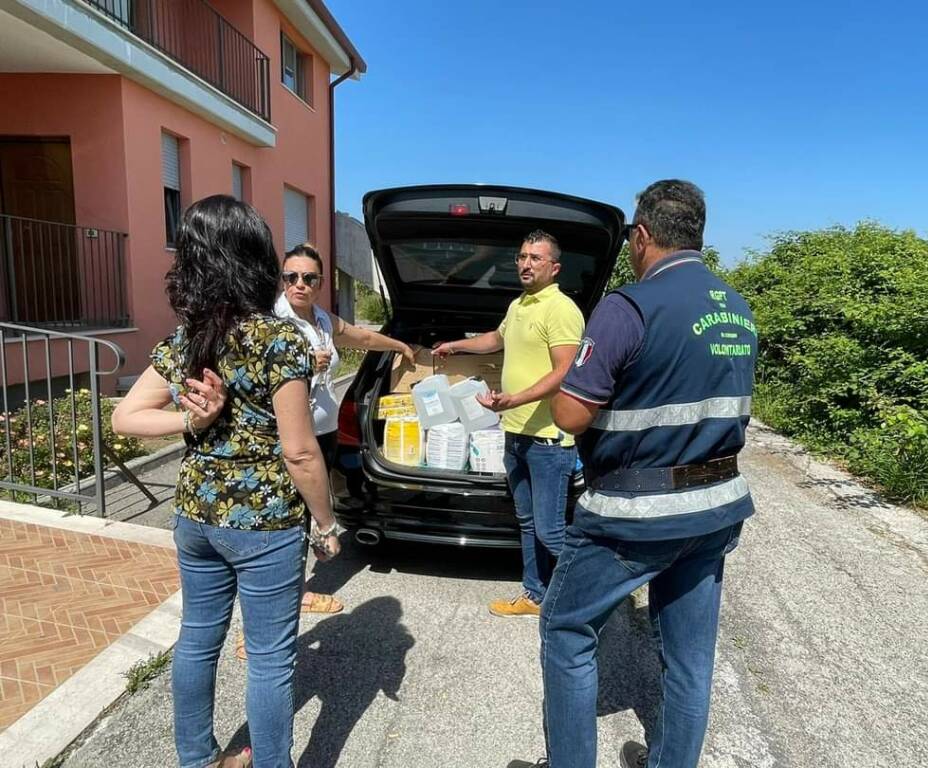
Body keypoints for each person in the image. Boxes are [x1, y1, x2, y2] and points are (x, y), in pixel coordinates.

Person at [511, 180, 758, 768]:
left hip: (632, 514)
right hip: (715, 508)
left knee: (568, 632)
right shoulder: (737, 308)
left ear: (642, 236)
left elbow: (571, 414)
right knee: (690, 659)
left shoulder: (628, 307)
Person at [112, 195, 341, 768]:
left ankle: (198, 760)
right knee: (268, 659)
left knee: (197, 640)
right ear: (256, 260)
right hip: (263, 525)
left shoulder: (188, 338)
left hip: (195, 519)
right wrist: (328, 524)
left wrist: (191, 420)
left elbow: (125, 417)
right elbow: (299, 450)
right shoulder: (279, 340)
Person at [230, 242, 414, 659]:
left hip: (323, 433)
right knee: (274, 533)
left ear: (320, 283)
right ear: (281, 279)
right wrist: (300, 366)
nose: (300, 284)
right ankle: (252, 632)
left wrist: (398, 345)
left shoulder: (321, 320)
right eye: (291, 276)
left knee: (298, 525)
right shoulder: (269, 322)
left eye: (309, 278)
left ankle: (299, 593)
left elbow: (360, 335)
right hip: (286, 438)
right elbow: (247, 379)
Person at [433, 230, 583, 617]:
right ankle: (535, 596)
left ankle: (586, 599)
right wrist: (457, 345)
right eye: (521, 257)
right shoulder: (519, 305)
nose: (526, 264)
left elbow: (565, 372)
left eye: (535, 258)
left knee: (551, 530)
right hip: (515, 433)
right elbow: (495, 339)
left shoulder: (561, 309)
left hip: (548, 440)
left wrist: (514, 398)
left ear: (555, 267)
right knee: (528, 522)